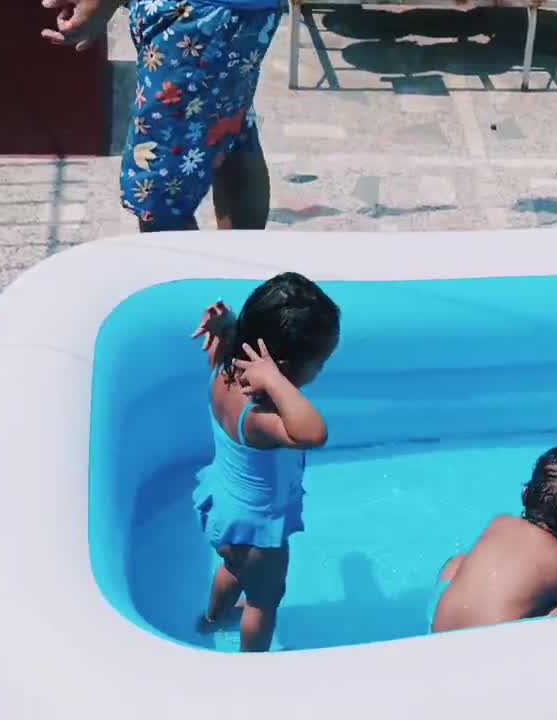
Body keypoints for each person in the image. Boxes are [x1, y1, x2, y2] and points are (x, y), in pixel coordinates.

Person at [189, 272, 340, 651]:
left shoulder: (224, 369)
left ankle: (211, 620)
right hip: (257, 530)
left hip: (223, 508)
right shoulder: (261, 417)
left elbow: (234, 343)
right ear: (284, 367)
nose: (320, 372)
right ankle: (251, 671)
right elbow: (314, 433)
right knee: (263, 601)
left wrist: (228, 328)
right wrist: (275, 382)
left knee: (232, 570)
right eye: (319, 364)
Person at [42, 0, 282, 231]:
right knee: (231, 136)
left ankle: (198, 270)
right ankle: (240, 266)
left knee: (157, 195)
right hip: (223, 14)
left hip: (197, 18)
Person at [429, 445, 557, 634]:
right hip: (488, 650)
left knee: (458, 563)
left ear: (524, 494)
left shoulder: (500, 523)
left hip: (439, 635)